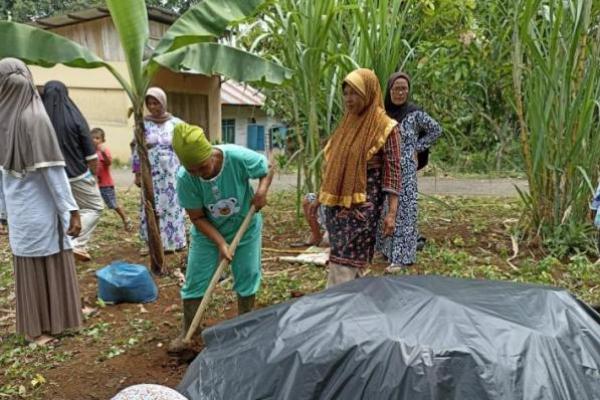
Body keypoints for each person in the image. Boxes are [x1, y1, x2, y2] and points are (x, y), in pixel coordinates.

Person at [168, 122, 272, 353]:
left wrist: (262, 191)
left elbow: (266, 169)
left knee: (247, 274)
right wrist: (221, 243)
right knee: (195, 280)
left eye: (202, 167)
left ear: (210, 154)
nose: (198, 173)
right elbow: (196, 217)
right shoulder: (186, 178)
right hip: (208, 233)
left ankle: (245, 327)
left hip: (244, 229)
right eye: (192, 169)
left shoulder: (236, 157)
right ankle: (189, 333)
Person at [0, 58, 83, 344]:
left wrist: (2, 214)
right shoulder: (34, 119)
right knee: (50, 265)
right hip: (42, 209)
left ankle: (39, 328)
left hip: (19, 213)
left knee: (30, 269)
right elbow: (54, 174)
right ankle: (47, 327)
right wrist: (71, 209)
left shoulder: (2, 120)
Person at [311, 68, 402, 288]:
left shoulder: (385, 128)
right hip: (337, 207)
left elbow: (393, 172)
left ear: (369, 93)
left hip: (362, 210)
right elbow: (334, 164)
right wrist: (321, 197)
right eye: (346, 93)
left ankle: (334, 308)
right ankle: (355, 308)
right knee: (348, 261)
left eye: (355, 93)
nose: (349, 99)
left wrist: (391, 213)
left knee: (344, 263)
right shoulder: (347, 124)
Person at [376, 72, 442, 272]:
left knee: (405, 211)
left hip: (405, 168)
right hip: (386, 167)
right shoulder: (382, 114)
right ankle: (387, 250)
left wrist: (418, 147)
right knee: (386, 210)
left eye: (404, 88)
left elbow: (436, 130)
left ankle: (402, 258)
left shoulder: (415, 113)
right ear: (389, 90)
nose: (400, 92)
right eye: (396, 88)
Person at [42, 80, 104, 262]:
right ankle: (75, 243)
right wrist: (93, 177)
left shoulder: (39, 120)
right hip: (77, 174)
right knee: (94, 207)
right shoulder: (74, 117)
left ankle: (58, 245)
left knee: (62, 211)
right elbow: (91, 156)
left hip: (49, 176)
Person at [132, 87, 186, 255]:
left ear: (163, 102)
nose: (153, 107)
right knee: (151, 204)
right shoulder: (143, 124)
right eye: (150, 103)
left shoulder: (177, 123)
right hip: (151, 173)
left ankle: (175, 242)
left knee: (173, 205)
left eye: (156, 103)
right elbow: (136, 148)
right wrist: (137, 172)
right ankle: (151, 243)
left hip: (172, 173)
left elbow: (186, 146)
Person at [90, 127, 131, 231]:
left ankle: (126, 219)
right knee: (91, 204)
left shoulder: (104, 151)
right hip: (93, 184)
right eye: (92, 138)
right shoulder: (90, 152)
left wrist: (103, 153)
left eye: (97, 138)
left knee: (112, 204)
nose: (94, 140)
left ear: (103, 140)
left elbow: (109, 163)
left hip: (105, 184)